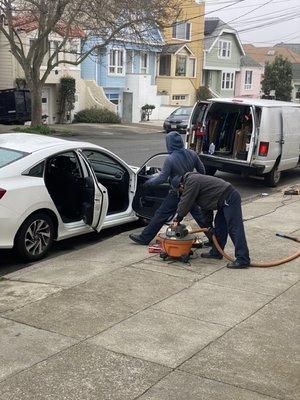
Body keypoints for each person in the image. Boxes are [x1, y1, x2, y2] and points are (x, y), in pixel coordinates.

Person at [129, 131, 211, 245]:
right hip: (191, 191)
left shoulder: (170, 159)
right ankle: (213, 239)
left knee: (161, 214)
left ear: (169, 144)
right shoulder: (192, 154)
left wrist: (148, 183)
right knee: (200, 217)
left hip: (176, 192)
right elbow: (202, 171)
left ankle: (144, 238)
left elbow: (162, 178)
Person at [171, 172, 250, 269]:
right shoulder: (194, 183)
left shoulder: (192, 181)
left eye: (180, 191)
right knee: (220, 227)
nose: (182, 193)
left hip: (229, 198)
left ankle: (243, 259)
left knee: (235, 228)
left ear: (181, 185)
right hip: (223, 201)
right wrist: (208, 225)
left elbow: (185, 202)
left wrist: (178, 219)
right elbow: (205, 206)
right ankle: (216, 252)